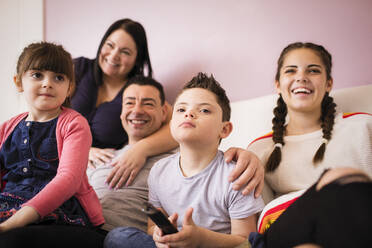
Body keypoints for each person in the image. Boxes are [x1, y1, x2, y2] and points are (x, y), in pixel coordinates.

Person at [72, 18, 265, 196]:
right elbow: (46, 111)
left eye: (125, 52)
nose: (114, 55)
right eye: (110, 45)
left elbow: (177, 123)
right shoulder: (77, 69)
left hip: (101, 168)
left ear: (137, 59)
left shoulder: (141, 89)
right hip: (62, 156)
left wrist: (141, 149)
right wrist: (80, 149)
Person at [104, 73, 265, 248]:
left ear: (224, 129)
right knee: (118, 237)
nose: (189, 114)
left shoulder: (235, 175)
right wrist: (159, 235)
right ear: (172, 123)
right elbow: (152, 226)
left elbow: (245, 241)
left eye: (204, 110)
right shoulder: (159, 171)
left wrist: (200, 239)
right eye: (181, 110)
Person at [243, 42, 372, 247]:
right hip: (283, 232)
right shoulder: (259, 149)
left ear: (328, 83)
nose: (301, 77)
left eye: (313, 70)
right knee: (338, 178)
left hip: (354, 226)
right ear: (278, 84)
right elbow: (256, 225)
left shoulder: (363, 125)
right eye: (291, 70)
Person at [0, 42, 105, 247]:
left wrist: (13, 222)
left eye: (58, 77)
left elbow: (69, 180)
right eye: (37, 75)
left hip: (61, 210)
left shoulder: (74, 124)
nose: (48, 83)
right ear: (18, 82)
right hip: (9, 203)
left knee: (10, 242)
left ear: (69, 89)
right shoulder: (6, 128)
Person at [87, 75, 175, 232]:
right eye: (129, 103)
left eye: (148, 104)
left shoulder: (176, 158)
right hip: (75, 225)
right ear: (121, 112)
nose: (137, 110)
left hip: (114, 236)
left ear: (164, 113)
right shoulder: (99, 155)